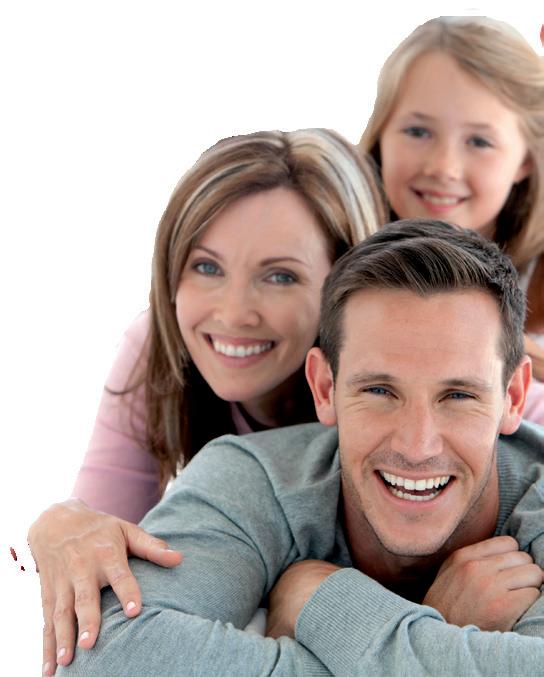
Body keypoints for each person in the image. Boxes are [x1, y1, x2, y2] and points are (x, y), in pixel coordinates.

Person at [57, 220, 544, 676]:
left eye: (458, 396)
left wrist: (322, 601)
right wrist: (435, 625)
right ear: (325, 388)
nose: (417, 446)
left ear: (514, 397)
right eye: (379, 391)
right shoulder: (252, 478)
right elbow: (105, 658)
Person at [28, 128, 386, 676]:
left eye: (280, 276)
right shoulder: (156, 354)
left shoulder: (405, 375)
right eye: (207, 267)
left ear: (346, 286)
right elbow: (101, 582)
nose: (234, 313)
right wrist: (58, 526)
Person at [358, 15, 544, 420]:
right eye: (418, 132)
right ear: (381, 135)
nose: (443, 167)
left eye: (479, 141)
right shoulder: (332, 263)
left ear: (525, 161)